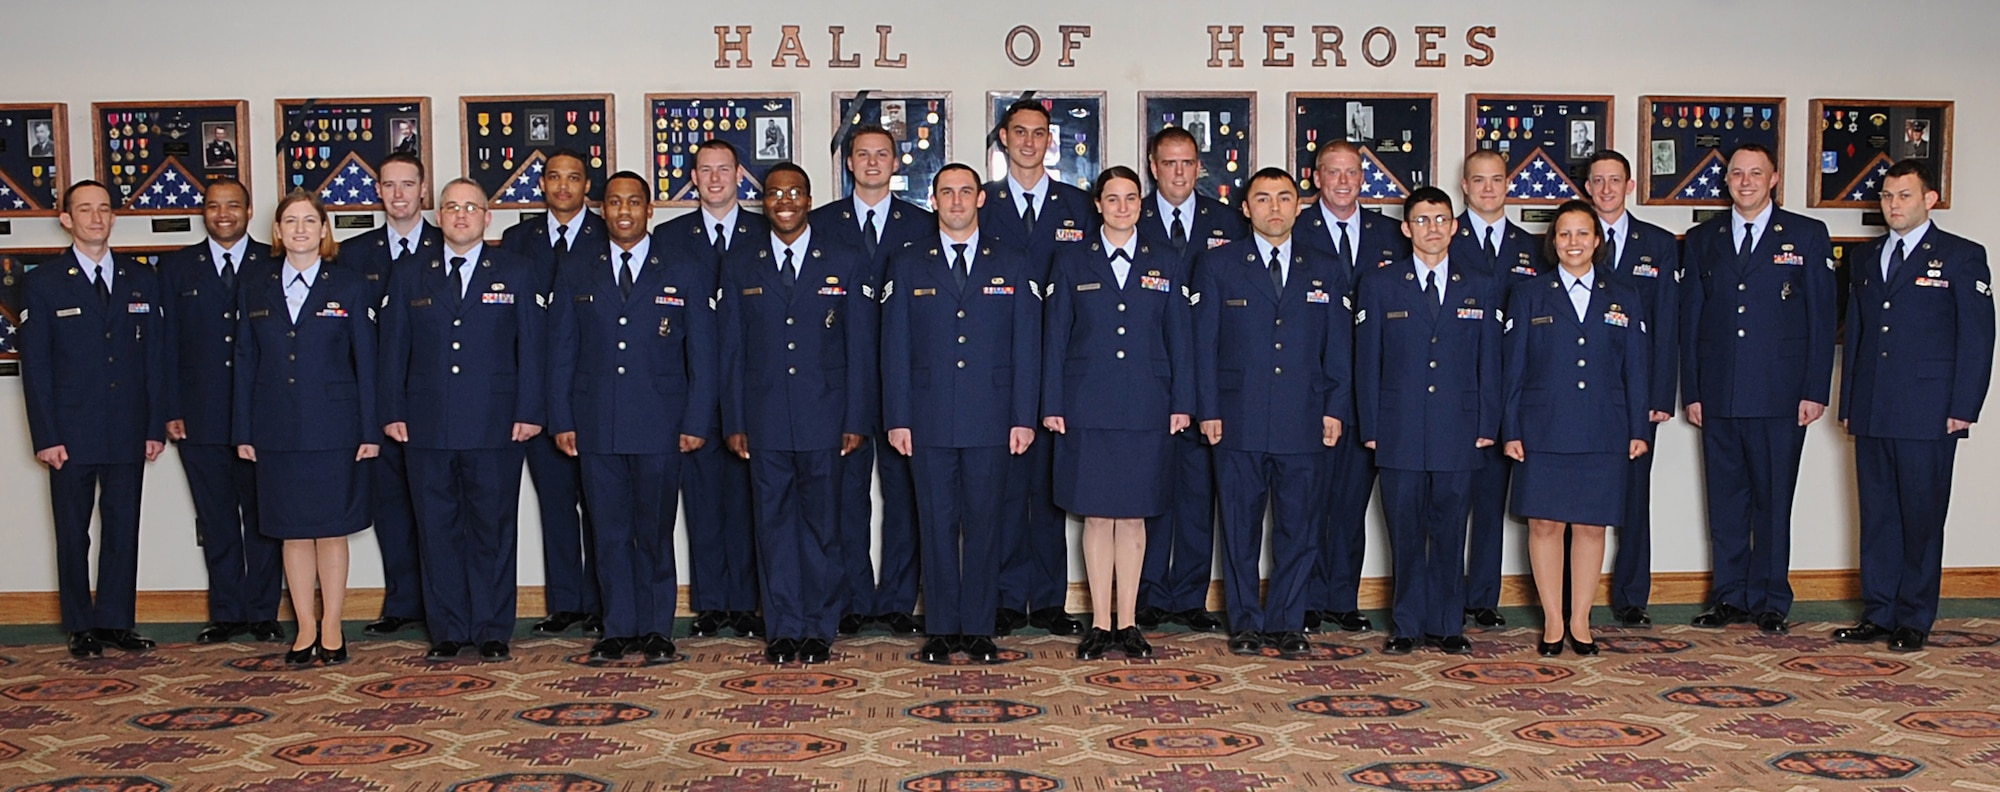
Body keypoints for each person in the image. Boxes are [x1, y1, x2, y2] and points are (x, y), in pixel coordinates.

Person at [549, 171, 716, 663]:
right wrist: (562, 418)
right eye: (616, 203)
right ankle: (617, 628)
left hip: (662, 424)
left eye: (635, 203)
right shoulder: (578, 268)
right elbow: (561, 352)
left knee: (655, 530)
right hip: (596, 422)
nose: (624, 211)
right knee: (609, 531)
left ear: (650, 211)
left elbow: (702, 356)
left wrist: (695, 421)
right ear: (603, 210)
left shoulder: (683, 268)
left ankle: (656, 630)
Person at [881, 163, 1041, 664]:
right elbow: (895, 347)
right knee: (935, 522)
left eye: (965, 192)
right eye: (946, 192)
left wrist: (1023, 417)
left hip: (993, 418)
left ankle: (978, 626)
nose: (956, 201)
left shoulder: (1012, 262)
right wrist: (897, 417)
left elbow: (1026, 348)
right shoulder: (908, 263)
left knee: (986, 523)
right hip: (926, 419)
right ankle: (943, 627)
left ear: (981, 200)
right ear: (932, 201)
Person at [379, 179, 544, 663]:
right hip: (426, 424)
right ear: (439, 215)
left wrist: (531, 411)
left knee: (493, 529)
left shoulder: (517, 270)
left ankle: (493, 628)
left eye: (471, 207)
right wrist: (392, 410)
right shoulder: (411, 273)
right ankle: (447, 629)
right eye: (451, 207)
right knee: (436, 529)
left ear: (487, 217)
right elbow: (394, 350)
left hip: (497, 424)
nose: (461, 215)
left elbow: (532, 348)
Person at [719, 163, 876, 665]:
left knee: (823, 527)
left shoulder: (846, 259)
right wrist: (735, 421)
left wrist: (856, 418)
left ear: (810, 200)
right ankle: (783, 627)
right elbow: (731, 351)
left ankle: (819, 626)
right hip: (763, 420)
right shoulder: (742, 262)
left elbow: (860, 348)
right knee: (773, 526)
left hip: (826, 418)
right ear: (763, 202)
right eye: (774, 194)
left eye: (794, 193)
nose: (784, 200)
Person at [1835, 160, 1993, 652]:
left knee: (1921, 517)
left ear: (1930, 199)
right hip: (1875, 405)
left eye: (1904, 195)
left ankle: (1914, 618)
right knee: (1877, 514)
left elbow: (1977, 337)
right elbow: (1858, 335)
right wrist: (1850, 401)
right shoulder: (1866, 259)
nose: (1894, 205)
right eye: (1887, 196)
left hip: (1930, 409)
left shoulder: (1962, 256)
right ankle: (1879, 612)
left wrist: (1964, 405)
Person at [1193, 167, 1350, 657]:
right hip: (1236, 418)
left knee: (1299, 527)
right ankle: (1244, 621)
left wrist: (1335, 407)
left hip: (1304, 418)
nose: (1274, 208)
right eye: (1263, 199)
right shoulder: (1218, 265)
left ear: (1299, 206)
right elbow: (1205, 346)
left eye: (1284, 198)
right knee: (1239, 527)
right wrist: (1208, 409)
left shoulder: (1326, 266)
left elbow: (1339, 348)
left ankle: (1287, 620)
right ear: (1246, 208)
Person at [1681, 143, 1835, 634]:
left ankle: (1770, 598)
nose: (1745, 181)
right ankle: (1729, 595)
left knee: (1772, 500)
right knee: (1725, 501)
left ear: (1773, 179)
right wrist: (1694, 391)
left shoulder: (1807, 235)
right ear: (1726, 181)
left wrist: (1815, 389)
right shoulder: (1703, 238)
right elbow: (1692, 320)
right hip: (1720, 391)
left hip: (1781, 394)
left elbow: (1821, 317)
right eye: (1736, 174)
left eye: (1755, 173)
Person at [1045, 166, 1193, 659]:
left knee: (1132, 518)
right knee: (1096, 517)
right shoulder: (1072, 261)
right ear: (1098, 205)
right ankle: (1100, 623)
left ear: (1141, 205)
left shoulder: (1166, 260)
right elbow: (1055, 338)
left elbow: (1181, 339)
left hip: (1148, 403)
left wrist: (1183, 402)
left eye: (1131, 198)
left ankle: (1128, 622)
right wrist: (1052, 403)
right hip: (1087, 403)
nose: (1123, 207)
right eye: (1113, 199)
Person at [21, 180, 167, 659]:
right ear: (66, 219)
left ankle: (115, 622)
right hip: (70, 432)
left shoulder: (139, 277)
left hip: (127, 427)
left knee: (123, 527)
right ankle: (80, 624)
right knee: (73, 530)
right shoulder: (43, 282)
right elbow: (36, 368)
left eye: (104, 209)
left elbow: (154, 359)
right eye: (85, 210)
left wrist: (154, 426)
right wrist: (46, 435)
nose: (96, 218)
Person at [1354, 186, 1502, 656]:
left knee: (1450, 530)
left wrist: (1488, 421)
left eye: (1440, 219)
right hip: (1398, 431)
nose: (1432, 228)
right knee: (1405, 530)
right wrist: (1371, 426)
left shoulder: (1480, 283)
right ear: (1405, 228)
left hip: (1459, 429)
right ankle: (1406, 624)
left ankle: (1447, 623)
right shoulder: (1380, 285)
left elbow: (1490, 361)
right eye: (1422, 220)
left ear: (1454, 227)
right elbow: (1367, 361)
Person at [1501, 200, 1651, 657]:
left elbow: (1637, 369)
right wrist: (1511, 428)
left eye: (1582, 233)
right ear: (1553, 242)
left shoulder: (1624, 295)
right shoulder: (1530, 295)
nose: (1573, 242)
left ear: (1597, 240)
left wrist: (1637, 427)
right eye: (1564, 234)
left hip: (1604, 427)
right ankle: (1552, 621)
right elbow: (1514, 367)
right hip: (1543, 426)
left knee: (1590, 526)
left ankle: (1581, 622)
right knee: (1545, 524)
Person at [234, 191, 378, 666]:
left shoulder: (351, 286)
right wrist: (244, 430)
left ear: (324, 231)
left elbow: (367, 364)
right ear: (277, 231)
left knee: (331, 531)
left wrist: (370, 430)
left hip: (335, 427)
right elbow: (245, 364)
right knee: (292, 533)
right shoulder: (255, 287)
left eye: (309, 220)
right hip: (275, 427)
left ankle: (333, 628)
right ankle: (305, 630)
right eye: (290, 221)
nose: (300, 229)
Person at [808, 125, 935, 637]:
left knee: (906, 496)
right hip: (841, 382)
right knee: (845, 496)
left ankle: (899, 600)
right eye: (863, 155)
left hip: (909, 380)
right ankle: (852, 598)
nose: (873, 162)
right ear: (849, 163)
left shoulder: (924, 225)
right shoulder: (820, 223)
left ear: (896, 163)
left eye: (882, 154)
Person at [983, 98, 1092, 638]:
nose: (1030, 141)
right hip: (997, 363)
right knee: (1004, 488)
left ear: (1051, 141)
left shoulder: (1079, 205)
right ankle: (1004, 597)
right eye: (1020, 132)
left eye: (1040, 133)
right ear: (1003, 138)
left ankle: (1049, 600)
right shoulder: (984, 203)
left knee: (1051, 489)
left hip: (1065, 367)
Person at [1132, 126, 1247, 633]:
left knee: (1200, 492)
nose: (1179, 172)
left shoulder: (1226, 221)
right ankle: (1152, 593)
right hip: (1149, 374)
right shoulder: (1132, 217)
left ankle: (1191, 595)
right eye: (1168, 163)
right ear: (1153, 167)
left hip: (1211, 373)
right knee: (1152, 488)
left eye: (1187, 163)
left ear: (1199, 167)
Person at [161, 178, 282, 645]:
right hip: (200, 415)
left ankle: (263, 612)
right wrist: (169, 408)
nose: (224, 214)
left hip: (262, 414)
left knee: (263, 518)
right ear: (203, 213)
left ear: (250, 212)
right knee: (215, 518)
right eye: (214, 206)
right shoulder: (176, 269)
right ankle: (227, 611)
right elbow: (164, 345)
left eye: (233, 205)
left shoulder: (271, 263)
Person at [1297, 141, 1410, 635]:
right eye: (1333, 172)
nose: (1343, 181)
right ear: (1316, 177)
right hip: (1311, 387)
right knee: (1305, 501)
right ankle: (1303, 598)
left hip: (1371, 389)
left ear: (1363, 178)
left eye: (1352, 173)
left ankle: (1342, 597)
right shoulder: (1296, 229)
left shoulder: (1389, 233)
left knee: (1349, 502)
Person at [655, 139, 765, 641]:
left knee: (746, 501)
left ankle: (745, 602)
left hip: (752, 386)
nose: (716, 178)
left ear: (739, 175)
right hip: (690, 387)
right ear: (693, 178)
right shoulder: (670, 237)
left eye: (725, 170)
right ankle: (712, 601)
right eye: (706, 171)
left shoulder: (764, 231)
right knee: (700, 501)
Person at [499, 149, 607, 638]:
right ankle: (566, 602)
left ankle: (604, 600)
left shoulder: (607, 235)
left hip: (596, 392)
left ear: (588, 187)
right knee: (556, 503)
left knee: (603, 506)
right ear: (541, 185)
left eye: (574, 178)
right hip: (537, 392)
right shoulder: (517, 241)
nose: (563, 186)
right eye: (554, 177)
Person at [342, 151, 438, 639]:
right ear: (377, 191)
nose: (398, 194)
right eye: (388, 185)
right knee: (393, 505)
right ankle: (402, 600)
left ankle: (443, 601)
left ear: (423, 189)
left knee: (440, 508)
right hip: (379, 401)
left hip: (439, 403)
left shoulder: (450, 244)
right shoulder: (354, 255)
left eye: (408, 184)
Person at [1585, 150, 1682, 629]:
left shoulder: (1659, 245)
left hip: (1637, 394)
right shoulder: (1571, 236)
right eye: (1597, 181)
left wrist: (1660, 397)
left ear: (1630, 185)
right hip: (1580, 394)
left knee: (1634, 497)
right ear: (1587, 188)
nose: (1606, 189)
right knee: (1576, 500)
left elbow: (1668, 327)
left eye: (1614, 180)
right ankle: (1571, 596)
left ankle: (1630, 595)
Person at [1453, 150, 1545, 631]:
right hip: (1453, 391)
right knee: (1447, 505)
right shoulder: (1445, 237)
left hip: (1510, 394)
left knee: (1490, 503)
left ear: (1508, 185)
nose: (1488, 188)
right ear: (1464, 186)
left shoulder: (1531, 247)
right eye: (1478, 180)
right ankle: (1443, 596)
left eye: (1496, 180)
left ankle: (1483, 596)